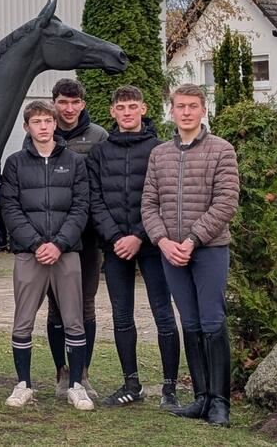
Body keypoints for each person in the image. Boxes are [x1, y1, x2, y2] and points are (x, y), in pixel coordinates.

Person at [142, 84, 239, 427]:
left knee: (212, 321)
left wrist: (194, 238)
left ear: (203, 110)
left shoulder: (221, 151)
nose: (186, 112)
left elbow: (226, 201)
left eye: (192, 106)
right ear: (172, 111)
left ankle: (220, 403)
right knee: (191, 322)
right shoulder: (160, 154)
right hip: (171, 253)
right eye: (180, 106)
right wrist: (163, 241)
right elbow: (149, 204)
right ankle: (200, 398)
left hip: (209, 249)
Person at [89, 86, 180, 408]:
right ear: (112, 112)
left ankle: (169, 388)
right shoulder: (99, 153)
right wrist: (115, 238)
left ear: (143, 109)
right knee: (122, 316)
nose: (127, 112)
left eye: (132, 106)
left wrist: (140, 236)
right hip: (115, 247)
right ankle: (131, 383)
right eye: (121, 107)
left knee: (163, 315)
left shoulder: (161, 150)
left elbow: (166, 198)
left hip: (153, 244)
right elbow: (94, 199)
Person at [0, 100, 93, 412]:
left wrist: (60, 243)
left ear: (56, 124)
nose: (43, 126)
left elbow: (81, 207)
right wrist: (38, 243)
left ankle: (76, 385)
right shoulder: (14, 164)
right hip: (29, 254)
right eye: (36, 121)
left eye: (47, 121)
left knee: (73, 320)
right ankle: (23, 384)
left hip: (66, 253)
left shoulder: (75, 162)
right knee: (23, 320)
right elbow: (10, 208)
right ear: (27, 127)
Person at [46, 78, 107, 398]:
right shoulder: (42, 132)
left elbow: (106, 185)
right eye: (62, 102)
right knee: (56, 308)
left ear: (83, 104)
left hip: (88, 237)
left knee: (85, 306)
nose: (68, 109)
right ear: (54, 102)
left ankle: (82, 373)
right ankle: (61, 372)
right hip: (53, 238)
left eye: (74, 102)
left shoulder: (98, 137)